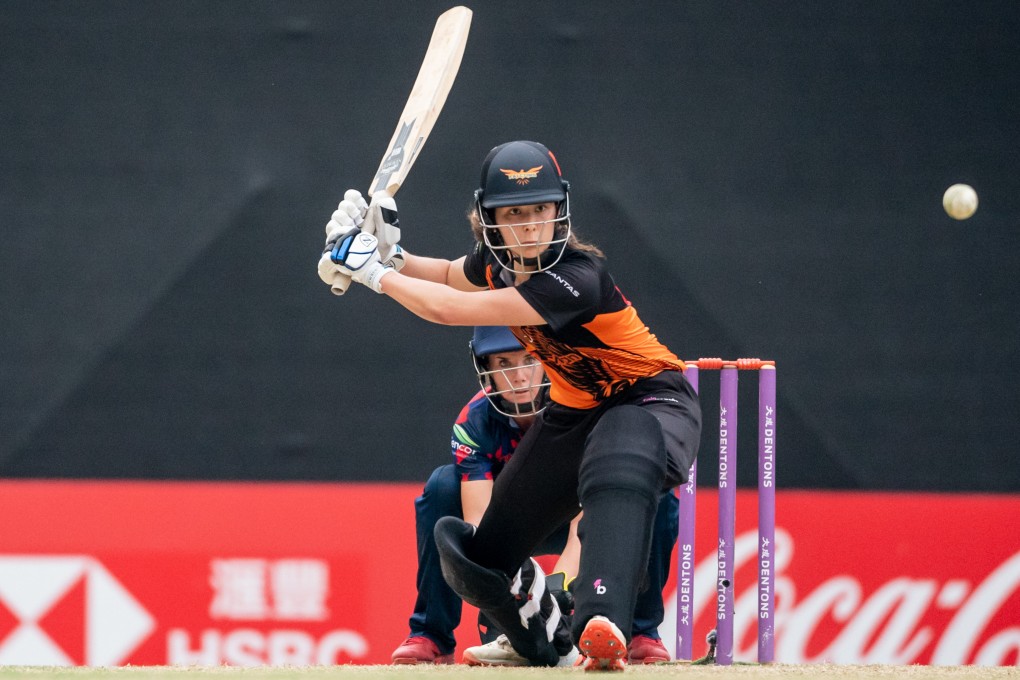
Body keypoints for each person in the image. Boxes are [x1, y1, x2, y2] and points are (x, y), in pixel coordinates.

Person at [318, 140, 701, 671]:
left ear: (558, 210)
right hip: (573, 415)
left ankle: (600, 621)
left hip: (650, 399)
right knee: (485, 557)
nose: (529, 226)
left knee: (623, 438)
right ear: (489, 219)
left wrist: (373, 273)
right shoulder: (497, 265)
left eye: (539, 210)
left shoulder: (577, 278)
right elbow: (453, 276)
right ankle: (536, 639)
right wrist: (390, 254)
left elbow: (450, 309)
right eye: (514, 213)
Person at [390, 326, 681, 666]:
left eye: (530, 359)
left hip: (579, 513)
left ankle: (641, 633)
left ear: (548, 360)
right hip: (512, 521)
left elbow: (587, 520)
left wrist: (558, 590)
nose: (519, 376)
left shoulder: (582, 406)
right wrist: (506, 601)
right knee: (442, 486)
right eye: (504, 362)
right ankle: (432, 636)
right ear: (485, 367)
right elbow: (481, 528)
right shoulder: (473, 422)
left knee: (654, 494)